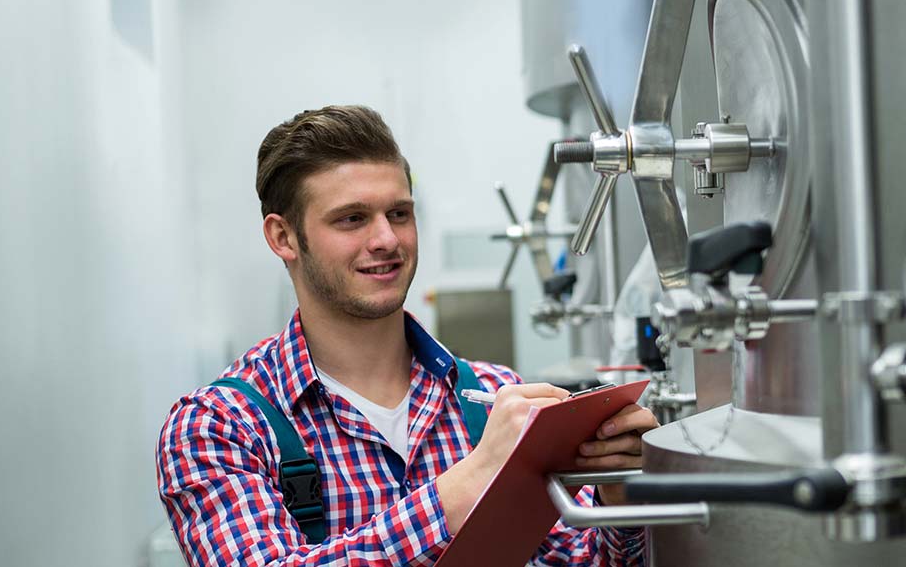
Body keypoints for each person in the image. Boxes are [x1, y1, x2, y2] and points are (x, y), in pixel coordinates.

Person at [156, 105, 657, 566]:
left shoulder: (491, 398)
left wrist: (619, 495)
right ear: (283, 237)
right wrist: (466, 486)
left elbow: (580, 560)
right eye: (352, 219)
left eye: (399, 213)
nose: (387, 240)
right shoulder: (218, 427)